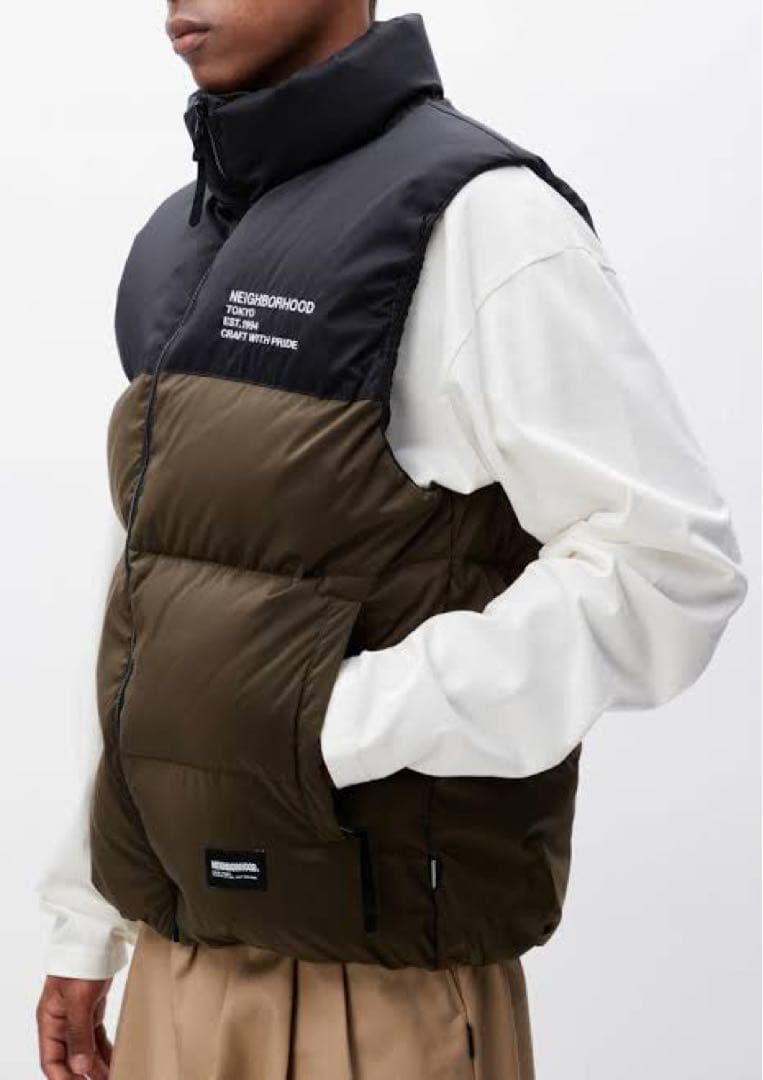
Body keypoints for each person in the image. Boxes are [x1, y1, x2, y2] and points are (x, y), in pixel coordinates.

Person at [35, 3, 747, 1079]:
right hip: (175, 970)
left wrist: (335, 721)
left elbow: (667, 568)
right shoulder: (179, 239)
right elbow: (147, 594)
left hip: (372, 998)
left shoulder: (482, 221)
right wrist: (86, 919)